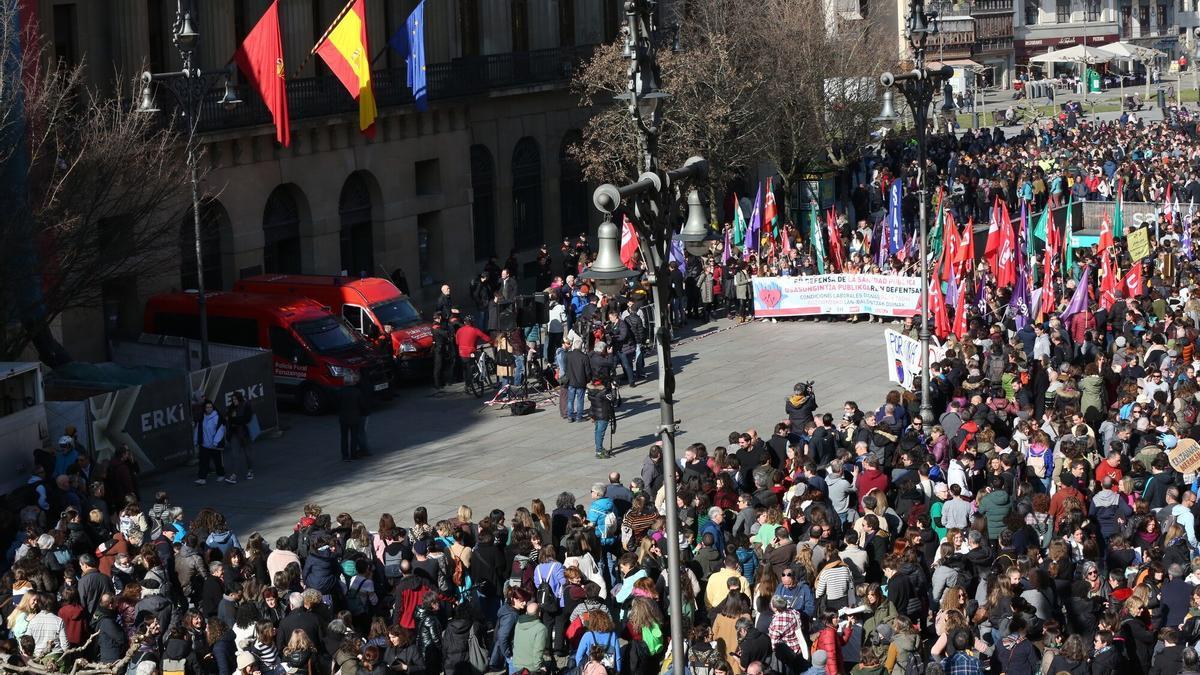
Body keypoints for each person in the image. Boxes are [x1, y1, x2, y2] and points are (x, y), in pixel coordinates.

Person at [336, 372, 371, 462]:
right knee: (354, 436)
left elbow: (336, 404)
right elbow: (362, 405)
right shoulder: (357, 392)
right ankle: (353, 454)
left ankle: (345, 456)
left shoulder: (340, 391)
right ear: (352, 382)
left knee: (344, 437)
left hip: (343, 418)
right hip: (355, 417)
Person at [193, 399, 227, 486]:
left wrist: (215, 442)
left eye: (210, 407)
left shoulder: (217, 417)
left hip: (214, 445)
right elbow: (198, 429)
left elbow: (221, 430)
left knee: (217, 461)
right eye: (207, 407)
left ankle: (221, 474)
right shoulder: (202, 417)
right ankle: (202, 478)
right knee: (203, 461)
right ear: (204, 408)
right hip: (204, 445)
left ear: (213, 407)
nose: (209, 409)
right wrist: (196, 440)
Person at [588, 379, 618, 459]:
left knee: (597, 432)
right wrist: (614, 389)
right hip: (603, 415)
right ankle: (599, 451)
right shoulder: (603, 393)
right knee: (600, 434)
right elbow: (613, 398)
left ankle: (599, 448)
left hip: (596, 414)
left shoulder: (591, 392)